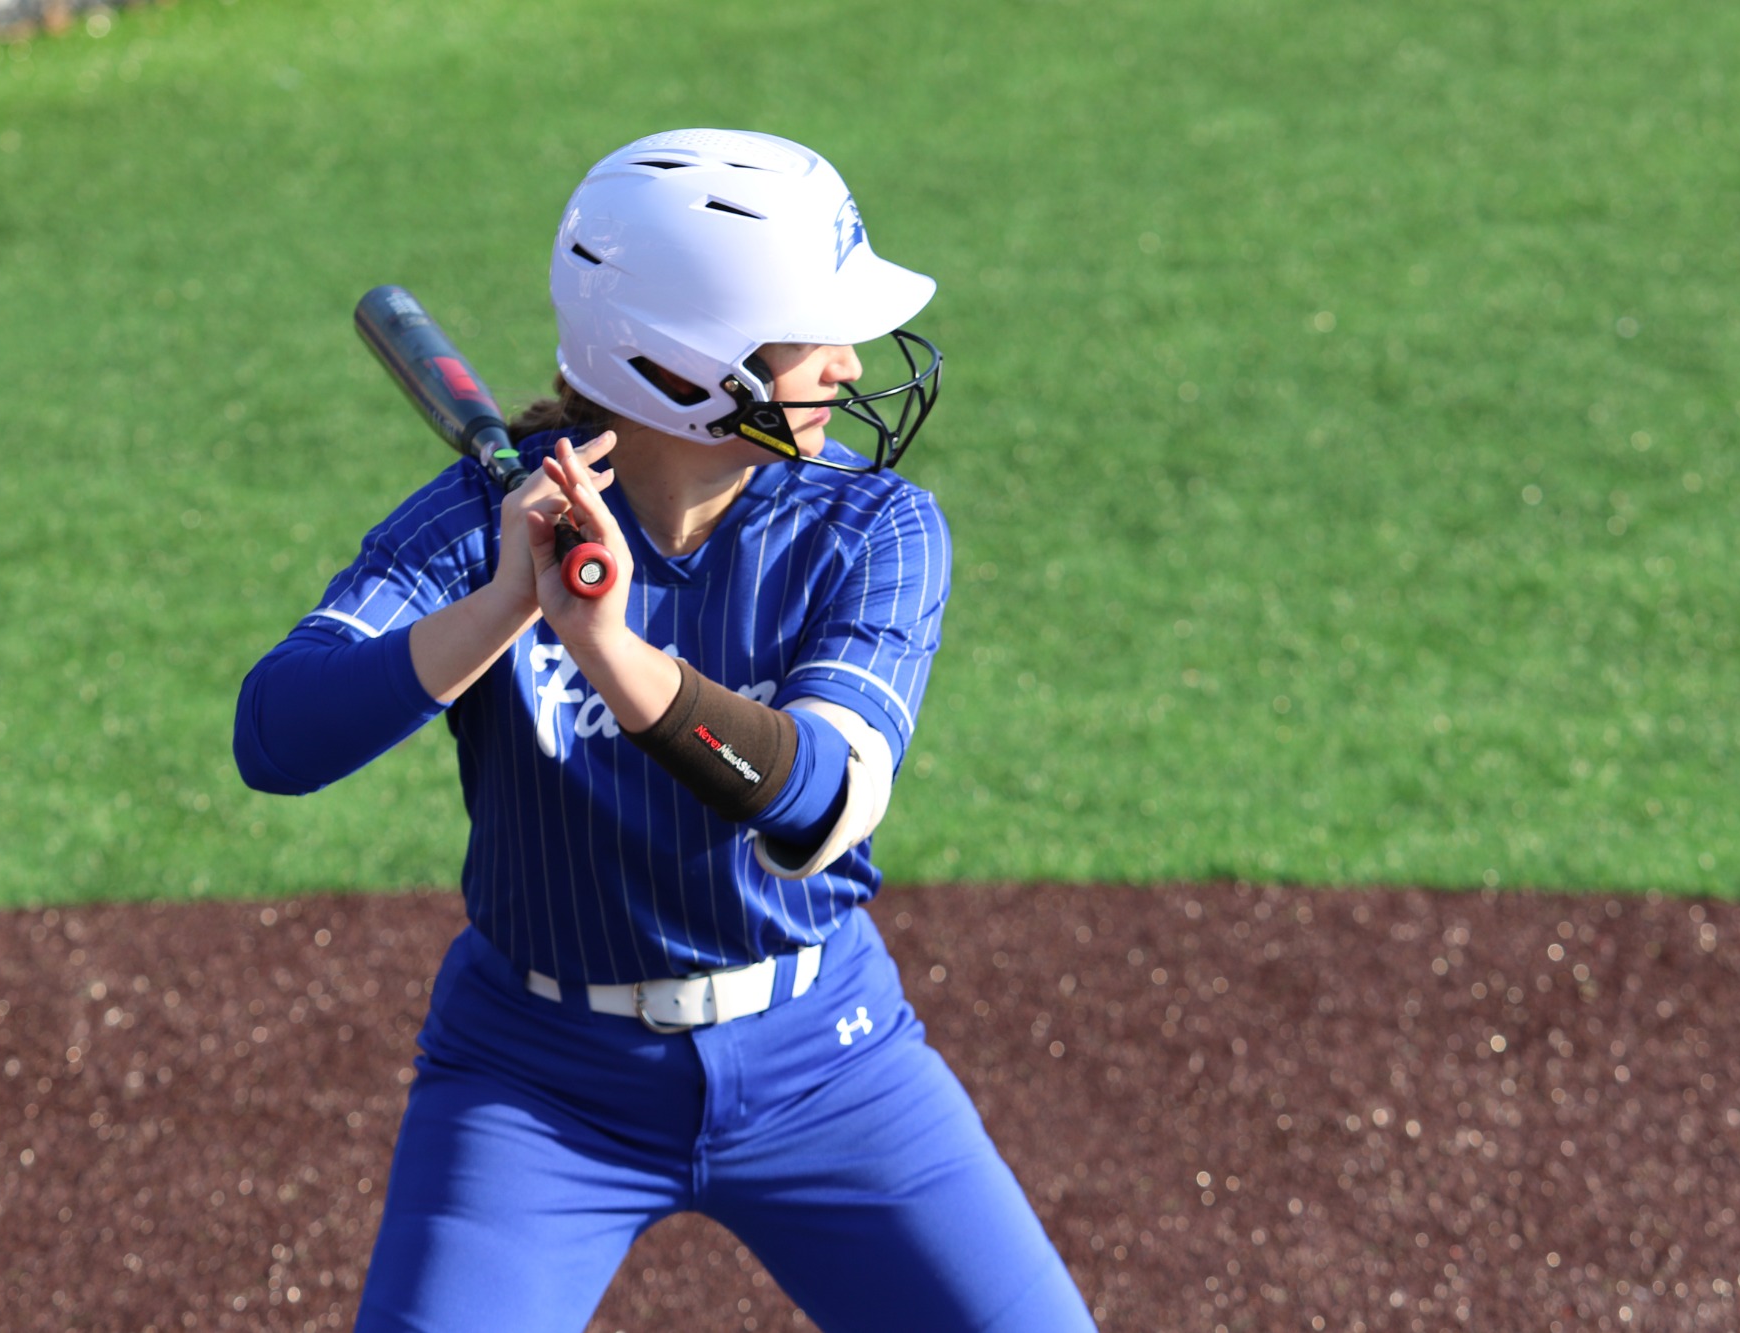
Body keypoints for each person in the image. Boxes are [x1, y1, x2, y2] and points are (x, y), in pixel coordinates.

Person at [234, 128, 1096, 1333]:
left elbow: (817, 805)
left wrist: (607, 649)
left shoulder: (870, 528)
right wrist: (497, 608)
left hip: (827, 1064)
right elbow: (274, 736)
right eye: (812, 332)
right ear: (689, 362)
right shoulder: (486, 527)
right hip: (535, 1088)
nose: (849, 363)